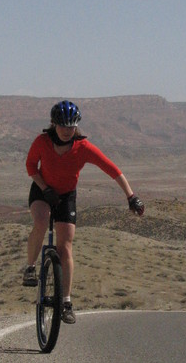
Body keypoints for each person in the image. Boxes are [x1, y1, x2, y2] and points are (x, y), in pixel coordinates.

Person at [23, 100, 144, 324]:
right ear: (54, 124)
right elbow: (31, 166)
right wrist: (45, 188)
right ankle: (30, 267)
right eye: (63, 126)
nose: (68, 131)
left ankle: (66, 302)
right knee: (41, 221)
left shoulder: (84, 148)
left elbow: (113, 170)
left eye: (72, 126)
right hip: (42, 190)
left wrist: (131, 196)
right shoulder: (42, 142)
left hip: (67, 195)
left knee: (65, 245)